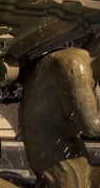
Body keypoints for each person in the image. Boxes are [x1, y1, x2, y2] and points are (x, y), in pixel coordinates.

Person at [22, 48, 100, 188]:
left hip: (69, 145)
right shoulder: (75, 66)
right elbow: (91, 127)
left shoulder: (92, 70)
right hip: (49, 151)